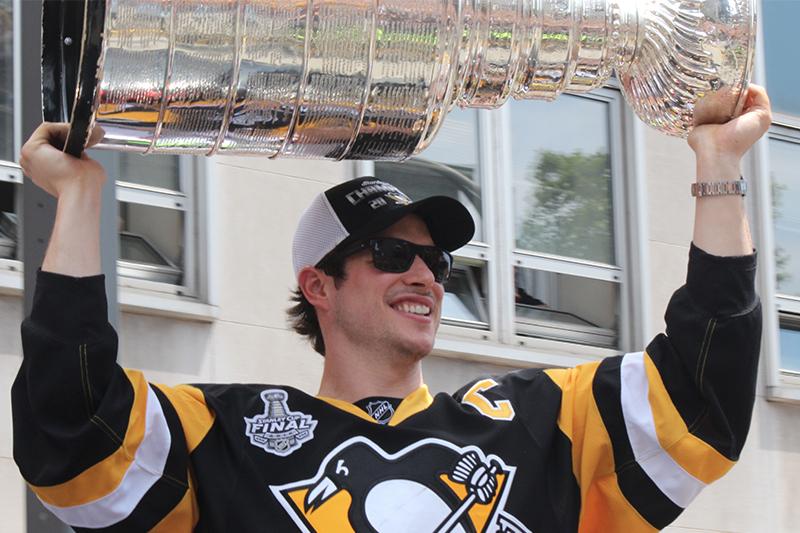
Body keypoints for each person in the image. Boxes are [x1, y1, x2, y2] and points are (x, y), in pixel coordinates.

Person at [12, 85, 771, 533]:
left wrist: (719, 164)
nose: (424, 275)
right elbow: (71, 433)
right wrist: (80, 197)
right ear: (319, 286)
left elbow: (699, 399)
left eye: (437, 261)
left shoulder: (539, 425)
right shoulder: (231, 437)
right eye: (389, 254)